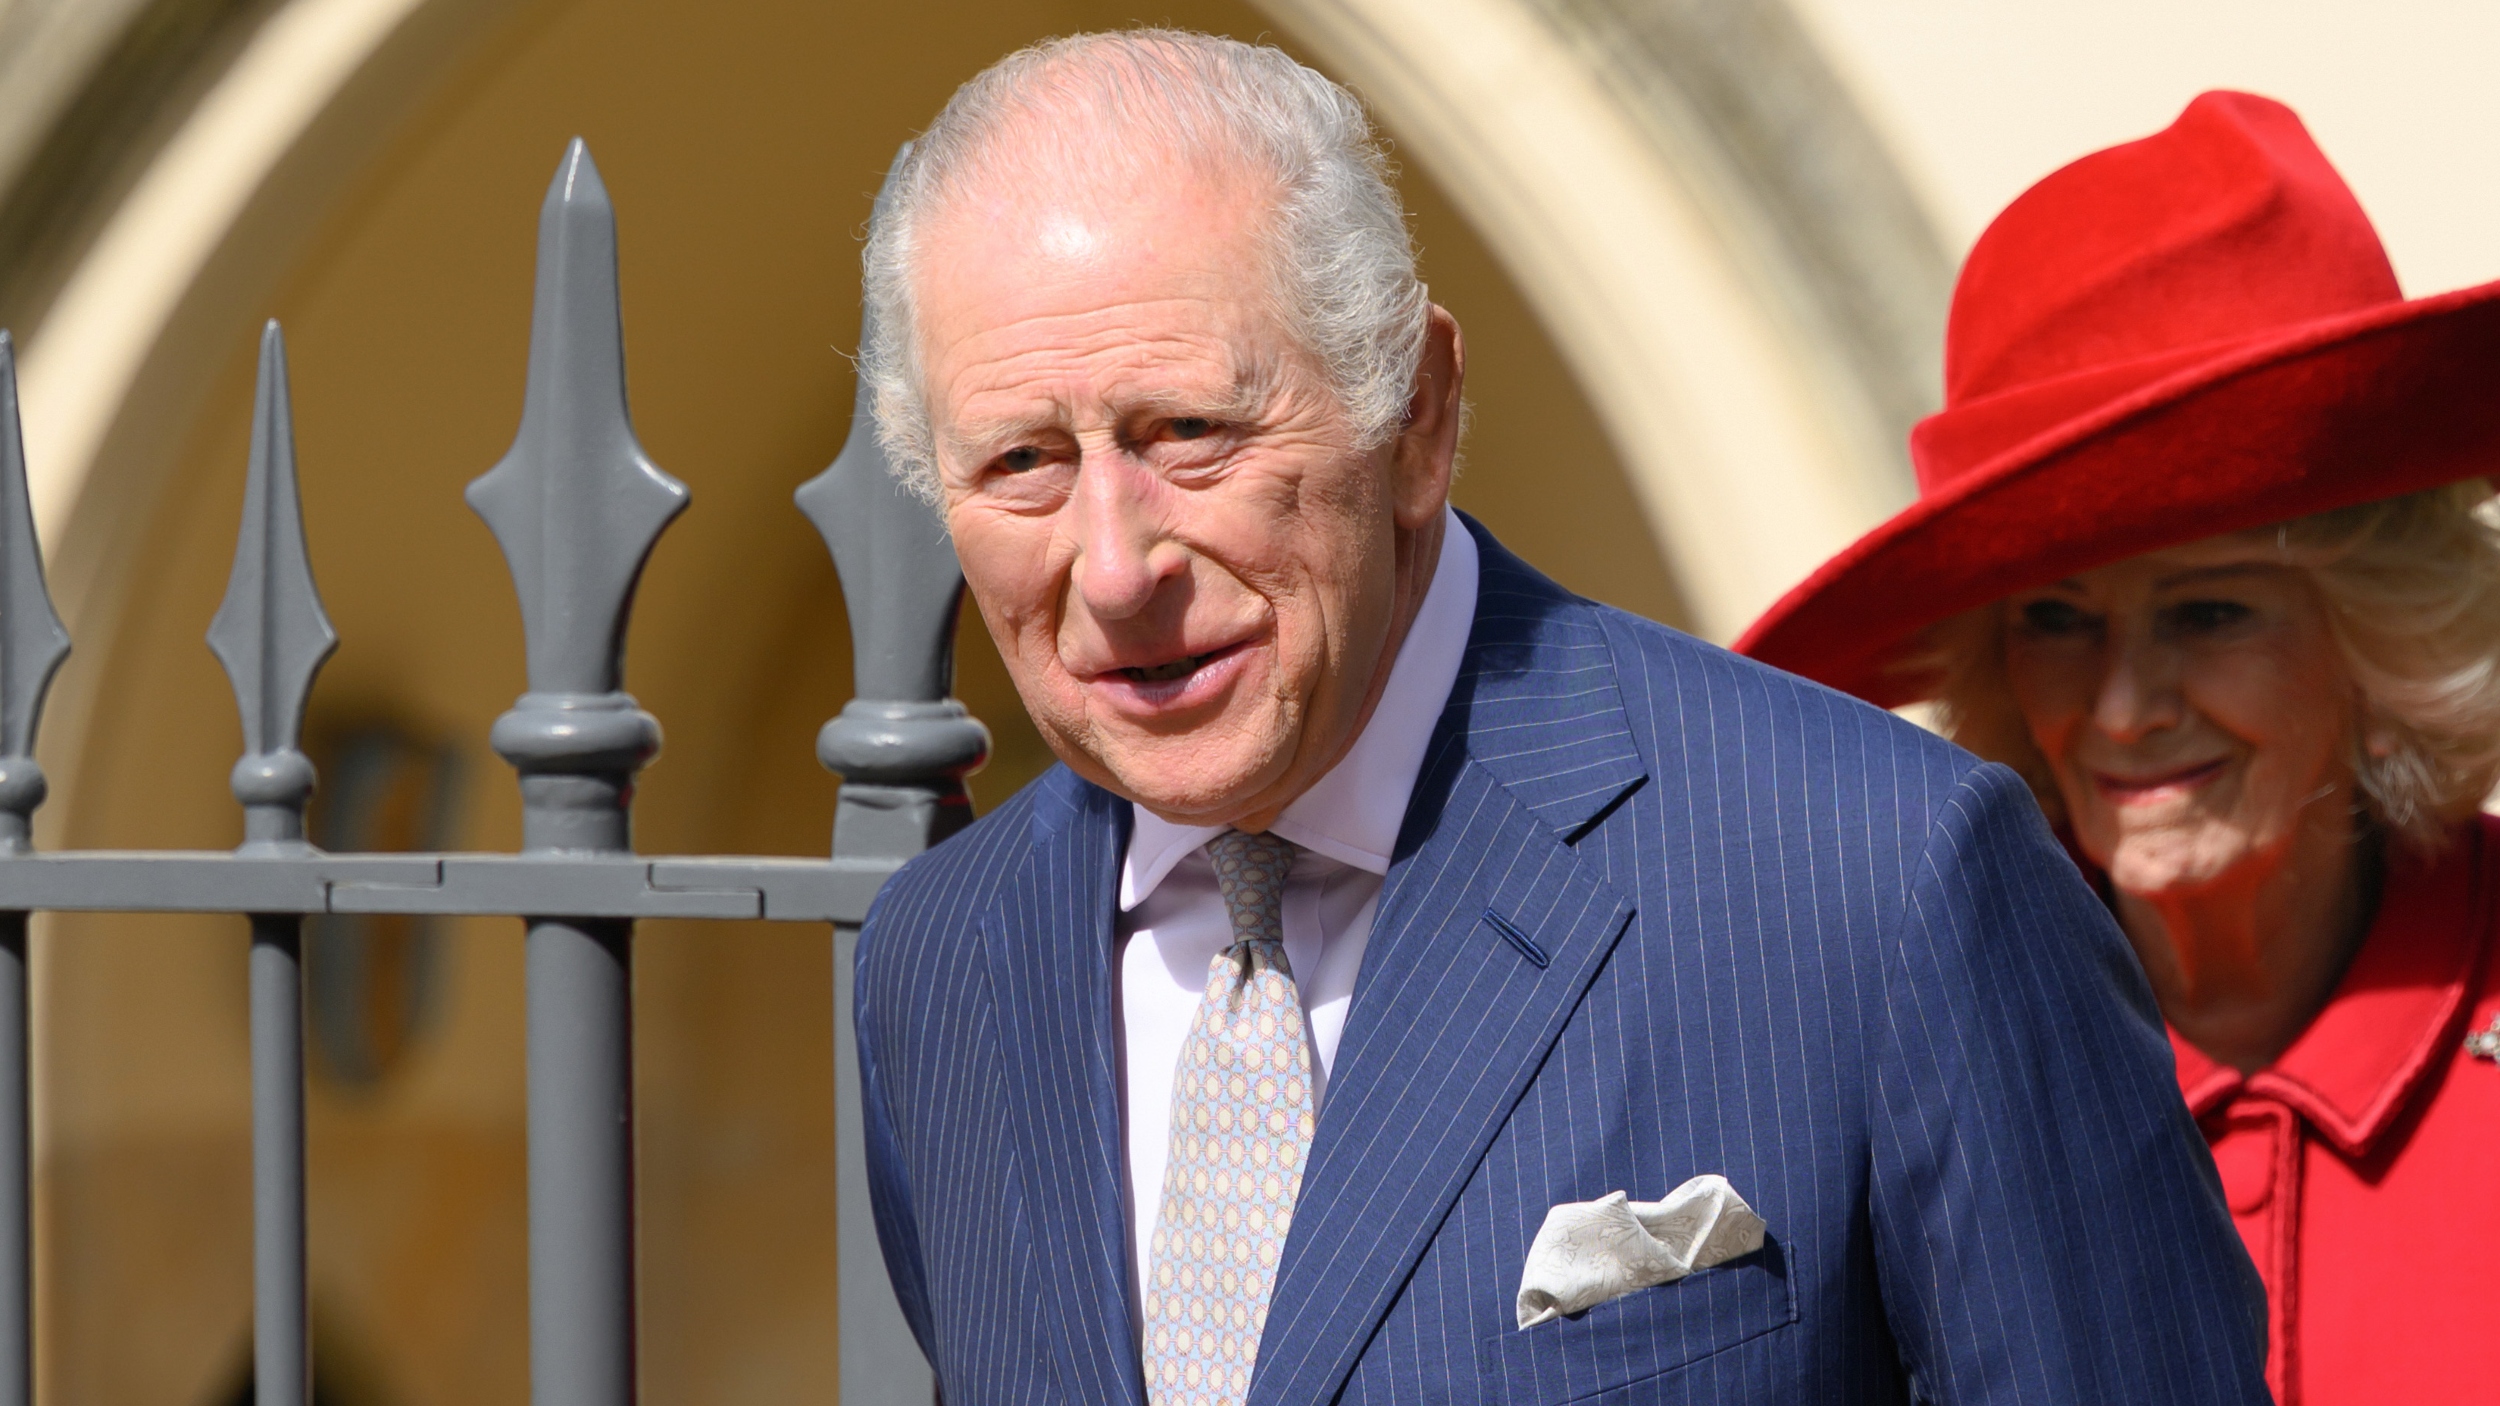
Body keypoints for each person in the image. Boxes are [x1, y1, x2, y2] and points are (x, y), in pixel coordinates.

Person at [853, 31, 2266, 1405]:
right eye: (1022, 462)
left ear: (1418, 415)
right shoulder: (946, 960)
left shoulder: (1879, 881)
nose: (1112, 567)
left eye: (1190, 433)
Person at [1739, 91, 2500, 1406]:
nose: (2125, 706)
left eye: (2208, 612)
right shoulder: (1880, 1060)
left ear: (2375, 636)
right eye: (2057, 622)